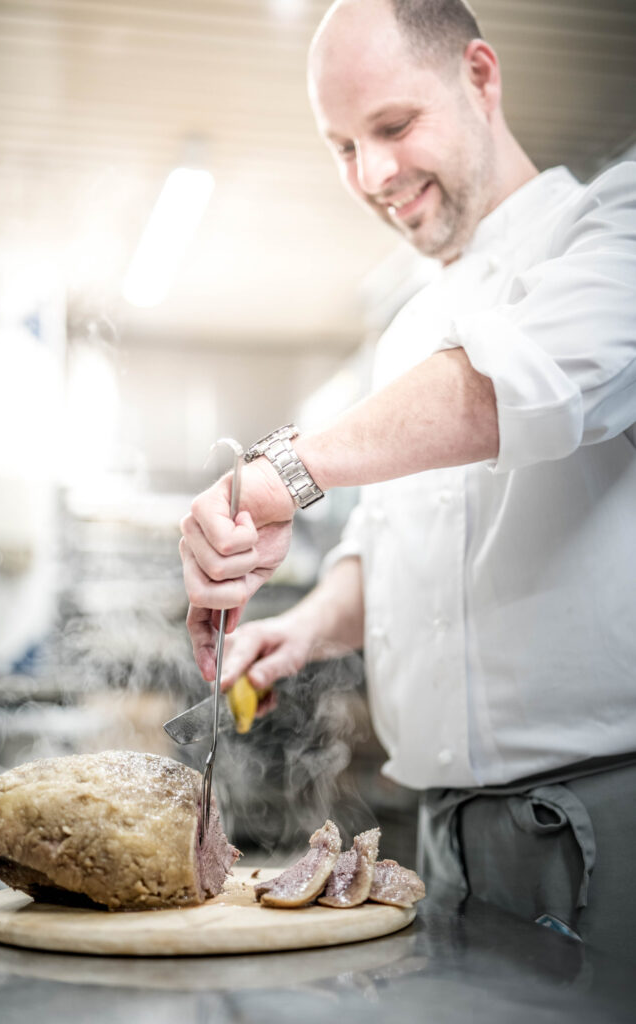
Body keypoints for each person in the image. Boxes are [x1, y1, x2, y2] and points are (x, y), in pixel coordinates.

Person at [179, 0, 636, 956]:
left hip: (605, 813)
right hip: (441, 834)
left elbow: (514, 387)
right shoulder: (405, 338)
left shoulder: (610, 227)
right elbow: (387, 546)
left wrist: (284, 470)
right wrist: (305, 628)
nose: (372, 174)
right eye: (343, 147)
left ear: (479, 75)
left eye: (392, 125)